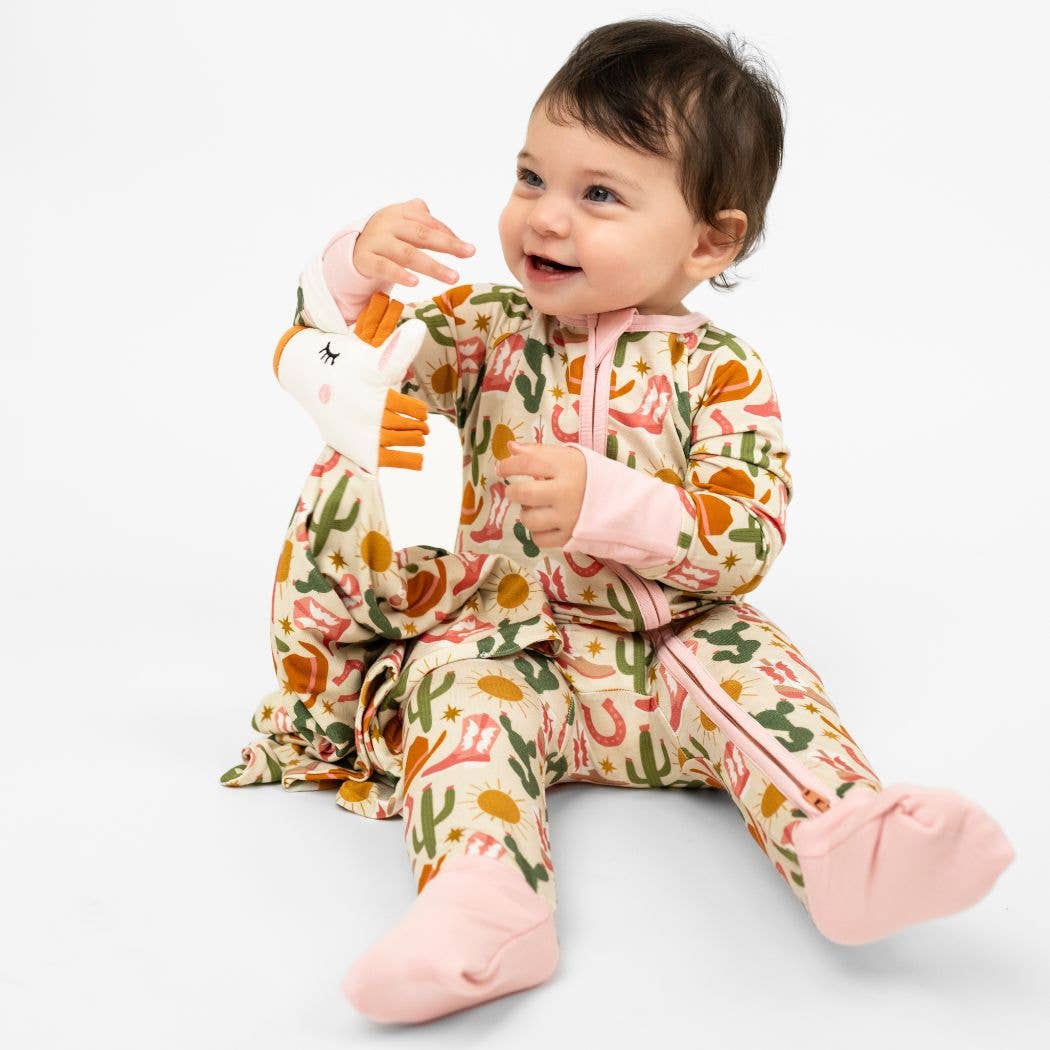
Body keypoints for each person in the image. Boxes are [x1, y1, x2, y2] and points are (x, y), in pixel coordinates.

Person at [221, 17, 1015, 1025]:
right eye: (530, 178)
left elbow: (745, 534)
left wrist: (607, 501)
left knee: (758, 677)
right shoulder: (480, 330)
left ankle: (845, 841)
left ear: (710, 238)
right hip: (503, 640)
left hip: (663, 653)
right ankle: (481, 904)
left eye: (598, 194)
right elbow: (353, 376)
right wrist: (352, 271)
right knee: (457, 706)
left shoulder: (718, 372)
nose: (545, 219)